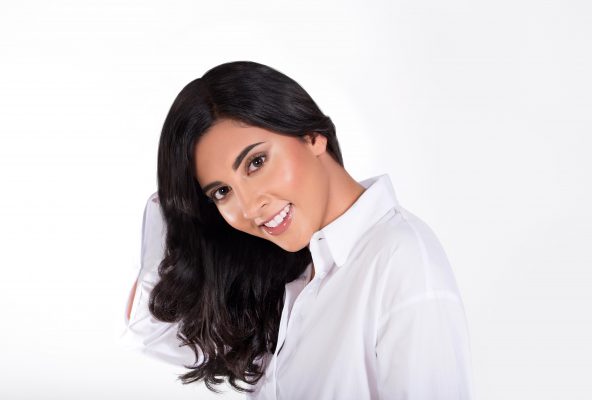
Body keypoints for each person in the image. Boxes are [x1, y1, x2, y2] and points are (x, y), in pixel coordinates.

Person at [121, 61, 475, 399]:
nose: (249, 208)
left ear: (312, 135)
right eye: (222, 191)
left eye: (256, 162)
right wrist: (178, 212)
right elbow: (149, 329)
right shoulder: (288, 275)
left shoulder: (401, 263)